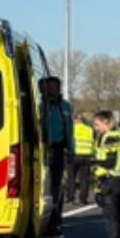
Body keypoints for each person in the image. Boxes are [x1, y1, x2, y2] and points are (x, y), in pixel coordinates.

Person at [38, 77, 73, 226]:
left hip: (58, 149)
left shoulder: (64, 106)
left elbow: (69, 129)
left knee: (56, 185)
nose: (51, 91)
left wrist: (71, 150)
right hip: (40, 148)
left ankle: (54, 216)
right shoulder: (38, 105)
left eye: (54, 87)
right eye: (47, 88)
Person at [71, 113, 95, 205]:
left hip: (73, 155)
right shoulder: (89, 129)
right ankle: (83, 199)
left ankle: (71, 198)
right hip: (87, 156)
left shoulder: (71, 129)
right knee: (84, 179)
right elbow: (93, 141)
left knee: (71, 178)